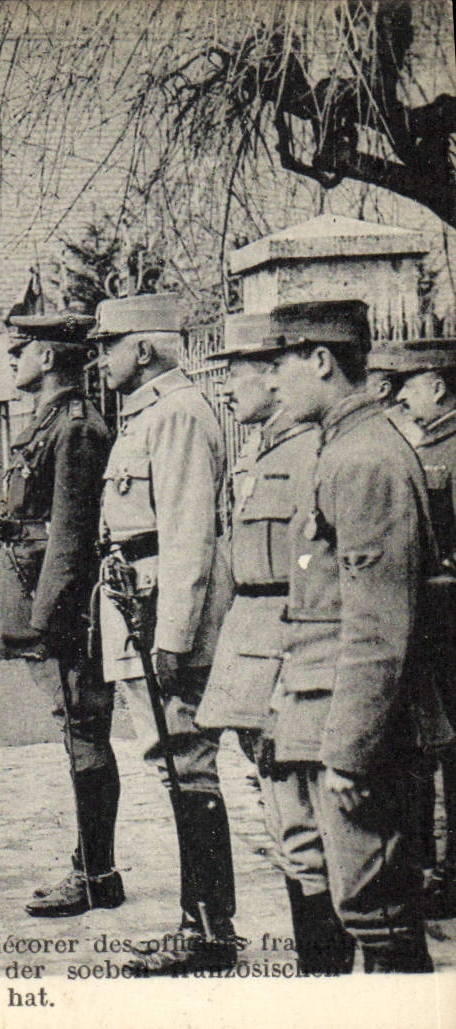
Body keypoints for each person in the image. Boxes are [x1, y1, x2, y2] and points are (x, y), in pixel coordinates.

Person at [252, 300, 437, 971]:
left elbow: (378, 626)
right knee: (335, 890)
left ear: (320, 360)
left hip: (354, 722)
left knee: (374, 909)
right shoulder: (342, 448)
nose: (271, 381)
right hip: (316, 707)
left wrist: (349, 751)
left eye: (279, 364)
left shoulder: (364, 458)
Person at [90, 292, 236, 975]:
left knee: (186, 763)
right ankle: (198, 923)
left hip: (161, 615)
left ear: (142, 348)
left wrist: (172, 635)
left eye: (107, 345)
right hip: (137, 606)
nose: (100, 357)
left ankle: (207, 931)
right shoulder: (147, 413)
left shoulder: (175, 414)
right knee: (171, 764)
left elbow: (185, 535)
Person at [196, 314, 346, 970]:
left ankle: (328, 983)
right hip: (252, 656)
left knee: (307, 833)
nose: (225, 386)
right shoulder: (257, 450)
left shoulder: (310, 450)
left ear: (272, 371)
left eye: (234, 370)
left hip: (290, 660)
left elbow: (313, 579)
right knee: (285, 826)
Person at [0, 314, 119, 919]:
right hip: (45, 595)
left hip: (65, 606)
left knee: (86, 734)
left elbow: (70, 531)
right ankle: (90, 866)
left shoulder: (77, 427)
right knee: (77, 732)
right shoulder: (50, 421)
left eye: (21, 350)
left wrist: (51, 618)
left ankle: (97, 875)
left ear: (45, 358)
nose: (14, 359)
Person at [363, 334, 456, 920]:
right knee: (423, 747)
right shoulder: (416, 441)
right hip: (427, 622)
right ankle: (422, 865)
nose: (400, 397)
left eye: (409, 385)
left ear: (437, 385)